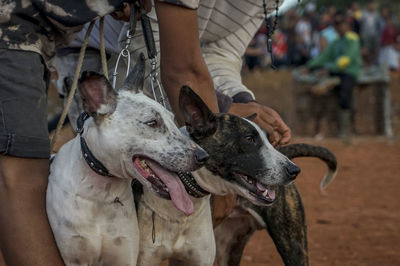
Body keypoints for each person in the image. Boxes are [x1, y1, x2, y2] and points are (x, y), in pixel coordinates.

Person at [305, 11, 362, 142]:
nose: (339, 27)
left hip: (349, 72)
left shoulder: (352, 39)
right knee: (321, 93)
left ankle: (345, 131)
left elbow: (346, 60)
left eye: (341, 24)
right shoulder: (336, 42)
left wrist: (328, 68)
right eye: (336, 25)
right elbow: (323, 57)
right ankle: (322, 128)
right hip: (336, 72)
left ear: (346, 25)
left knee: (344, 95)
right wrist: (309, 66)